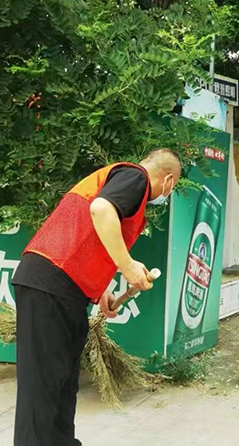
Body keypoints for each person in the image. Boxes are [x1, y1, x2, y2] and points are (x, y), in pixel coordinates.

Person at [11, 149, 181, 445]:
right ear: (168, 180)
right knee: (42, 386)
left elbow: (89, 236)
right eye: (173, 188)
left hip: (66, 289)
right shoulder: (135, 177)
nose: (167, 194)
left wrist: (100, 289)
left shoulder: (124, 184)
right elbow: (101, 210)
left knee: (62, 381)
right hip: (50, 283)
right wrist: (127, 266)